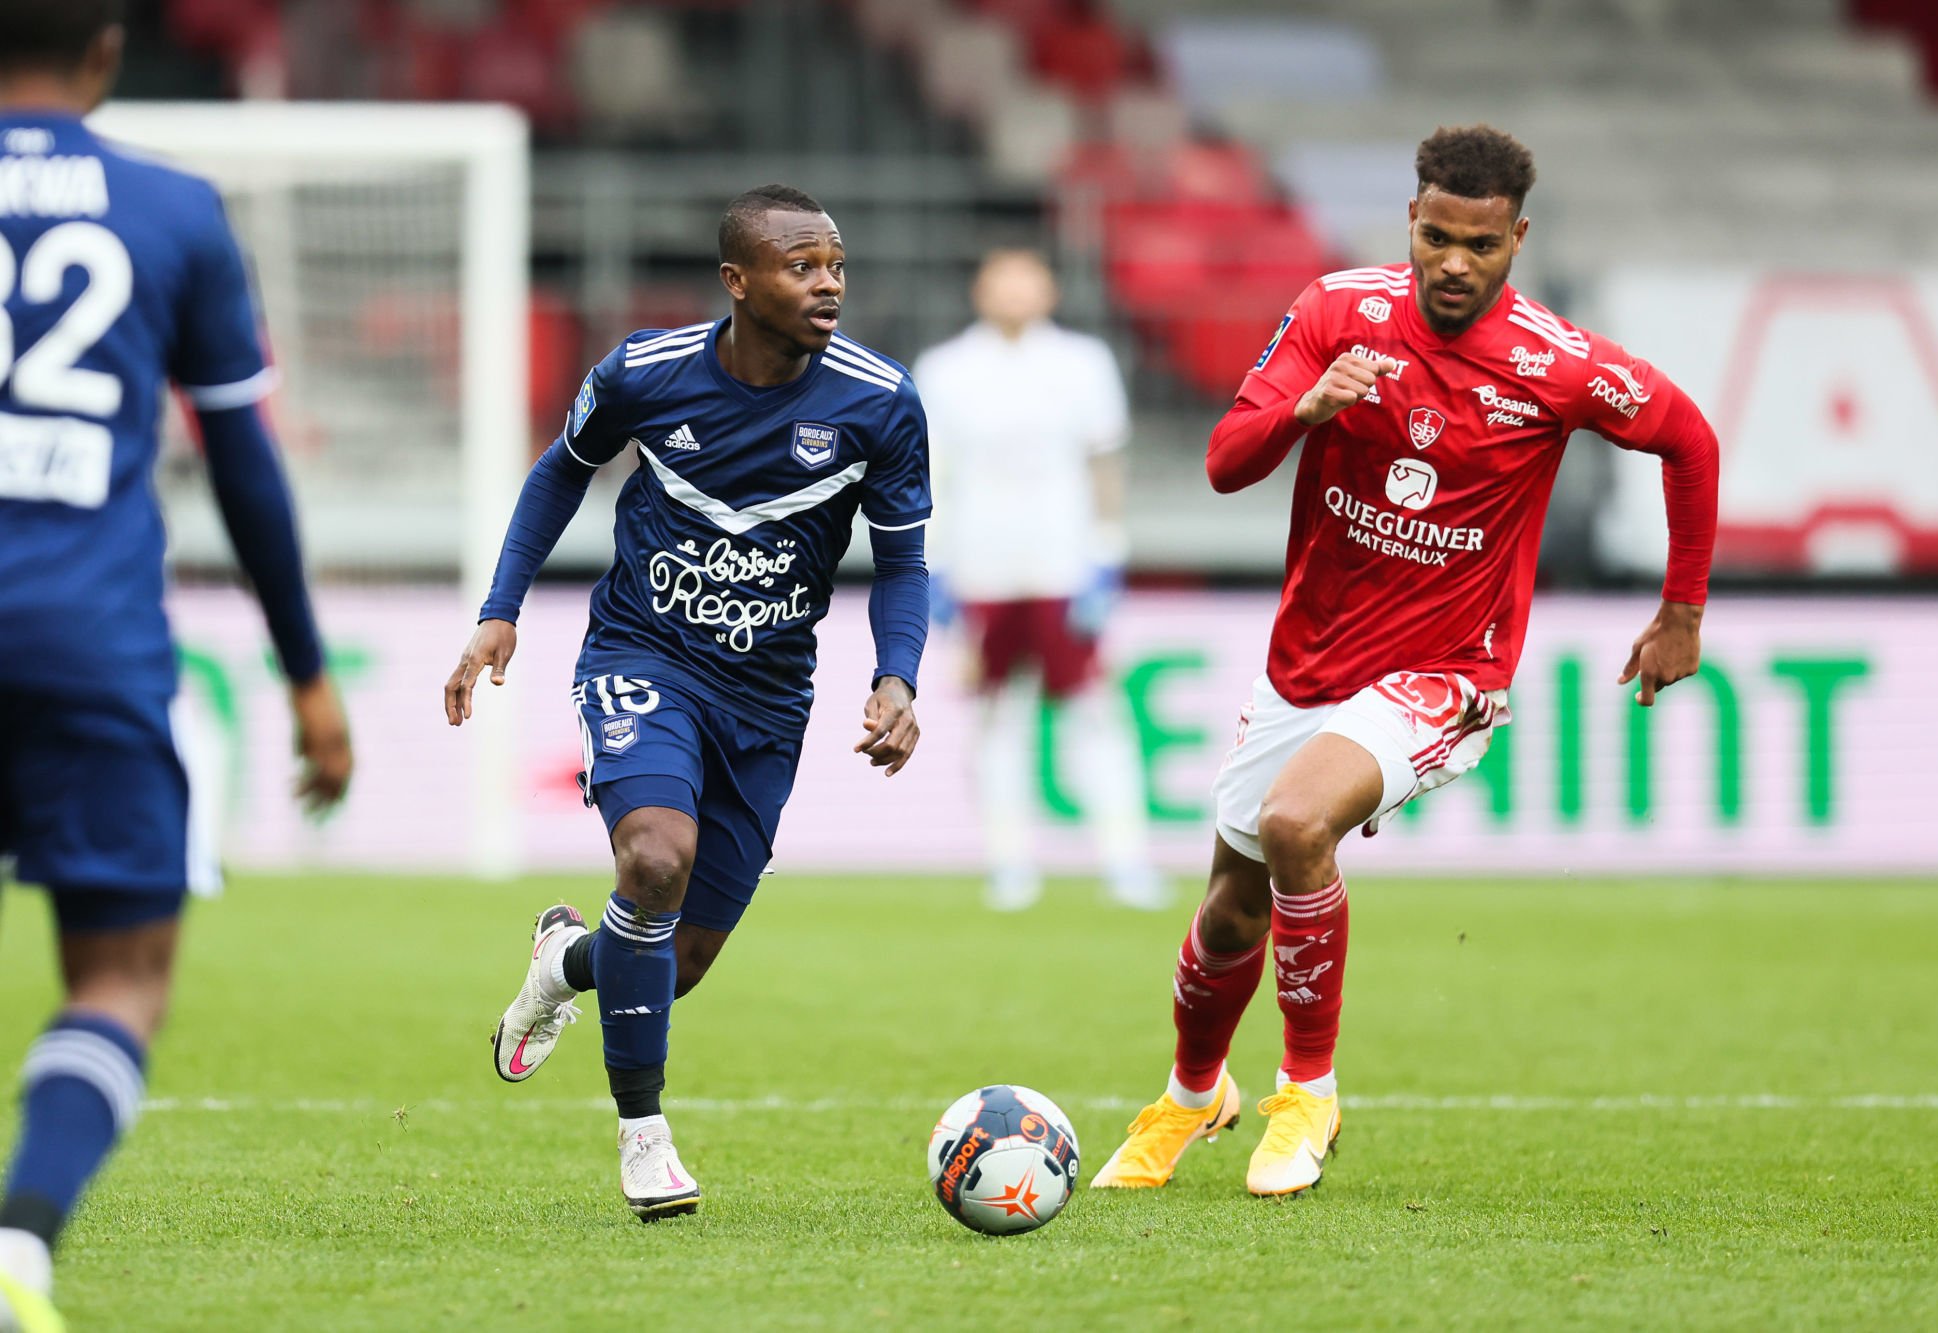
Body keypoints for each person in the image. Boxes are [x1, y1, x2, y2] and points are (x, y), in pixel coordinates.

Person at [1090, 124, 1718, 1197]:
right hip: (1308, 661)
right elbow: (1225, 462)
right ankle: (1193, 1095)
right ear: (1412, 223)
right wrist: (1306, 409)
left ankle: (1308, 1092)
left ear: (1517, 238)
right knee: (1231, 908)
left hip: (1449, 668)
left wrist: (1682, 610)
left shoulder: (1558, 365)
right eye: (1437, 238)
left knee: (1297, 824)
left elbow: (1688, 439)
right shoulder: (1337, 312)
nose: (1455, 263)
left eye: (1481, 243)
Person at [444, 185, 930, 1221]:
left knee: (679, 960)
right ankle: (644, 1138)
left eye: (836, 265)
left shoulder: (880, 401)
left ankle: (562, 964)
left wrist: (896, 673)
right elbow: (558, 473)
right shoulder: (644, 372)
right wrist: (500, 609)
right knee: (654, 858)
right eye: (802, 266)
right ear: (736, 281)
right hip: (642, 655)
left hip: (769, 694)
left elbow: (902, 559)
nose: (829, 284)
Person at [0, 2, 354, 1326]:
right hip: (85, 638)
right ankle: (17, 1252)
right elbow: (243, 465)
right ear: (106, 48)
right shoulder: (172, 209)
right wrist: (305, 672)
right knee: (119, 979)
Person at [914, 249, 1164, 912]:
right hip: (981, 566)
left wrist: (1107, 553)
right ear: (980, 290)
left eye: (1027, 281)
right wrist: (932, 567)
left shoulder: (1083, 362)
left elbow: (1104, 461)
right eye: (1002, 281)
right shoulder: (945, 369)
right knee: (997, 716)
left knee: (1095, 712)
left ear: (1050, 290)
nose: (1015, 293)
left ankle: (1125, 860)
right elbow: (931, 472)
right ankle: (1009, 862)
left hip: (1063, 561)